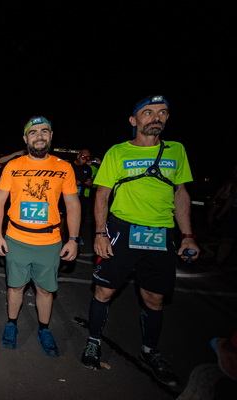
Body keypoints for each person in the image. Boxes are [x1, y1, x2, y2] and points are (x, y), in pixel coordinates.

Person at [80, 95, 199, 387]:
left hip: (161, 233)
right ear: (134, 120)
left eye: (162, 112)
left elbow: (181, 193)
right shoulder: (118, 152)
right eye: (148, 112)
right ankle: (93, 341)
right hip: (122, 229)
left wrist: (187, 236)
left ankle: (150, 351)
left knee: (154, 298)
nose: (156, 117)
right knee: (104, 291)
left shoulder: (176, 151)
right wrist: (100, 233)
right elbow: (102, 194)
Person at [0, 116, 80, 356]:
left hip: (49, 241)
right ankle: (11, 324)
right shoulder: (13, 166)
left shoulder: (64, 167)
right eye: (33, 132)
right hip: (16, 239)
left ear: (51, 136)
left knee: (45, 290)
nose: (39, 136)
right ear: (25, 138)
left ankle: (44, 329)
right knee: (15, 286)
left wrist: (73, 239)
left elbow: (72, 204)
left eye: (44, 131)